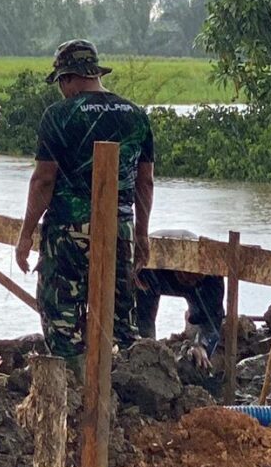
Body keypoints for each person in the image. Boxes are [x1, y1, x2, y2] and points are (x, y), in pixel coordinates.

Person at [15, 39, 154, 367]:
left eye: (61, 83)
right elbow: (144, 182)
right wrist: (141, 235)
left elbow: (43, 181)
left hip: (68, 232)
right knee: (121, 315)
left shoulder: (59, 116)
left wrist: (25, 236)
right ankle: (126, 391)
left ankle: (75, 389)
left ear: (67, 78)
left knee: (62, 315)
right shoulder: (135, 116)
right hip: (120, 229)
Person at [135, 230, 225, 370]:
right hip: (157, 271)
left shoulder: (211, 277)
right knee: (144, 324)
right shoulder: (152, 265)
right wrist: (146, 346)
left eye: (196, 276)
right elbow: (143, 315)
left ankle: (192, 327)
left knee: (201, 315)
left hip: (199, 285)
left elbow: (213, 321)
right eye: (187, 275)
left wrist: (202, 346)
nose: (191, 279)